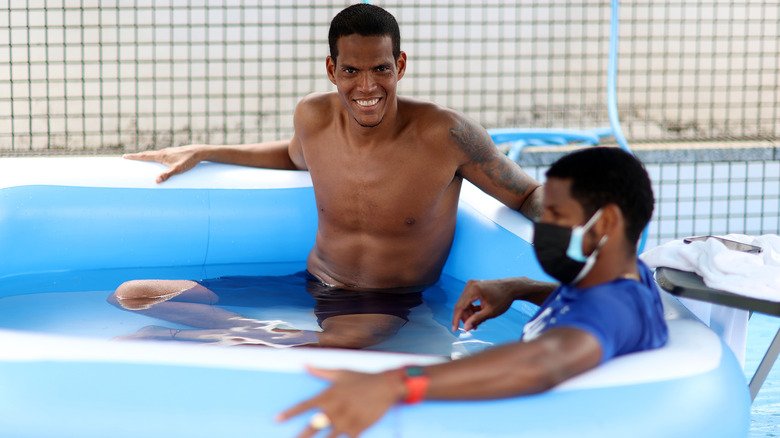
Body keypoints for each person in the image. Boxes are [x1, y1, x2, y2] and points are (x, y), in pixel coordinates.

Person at [110, 4, 543, 349]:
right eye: (352, 71)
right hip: (312, 284)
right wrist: (208, 150)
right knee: (134, 294)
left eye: (381, 69)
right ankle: (244, 334)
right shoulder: (314, 116)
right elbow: (294, 156)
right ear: (332, 69)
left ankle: (205, 339)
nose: (367, 87)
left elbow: (526, 195)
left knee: (342, 345)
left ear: (400, 65)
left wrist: (585, 224)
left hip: (383, 302)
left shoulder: (446, 134)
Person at [278, 147, 669, 437]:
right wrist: (520, 287)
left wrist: (397, 382)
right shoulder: (616, 278)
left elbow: (544, 363)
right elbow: (582, 311)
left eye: (555, 216)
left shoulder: (614, 308)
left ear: (607, 223)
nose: (543, 226)